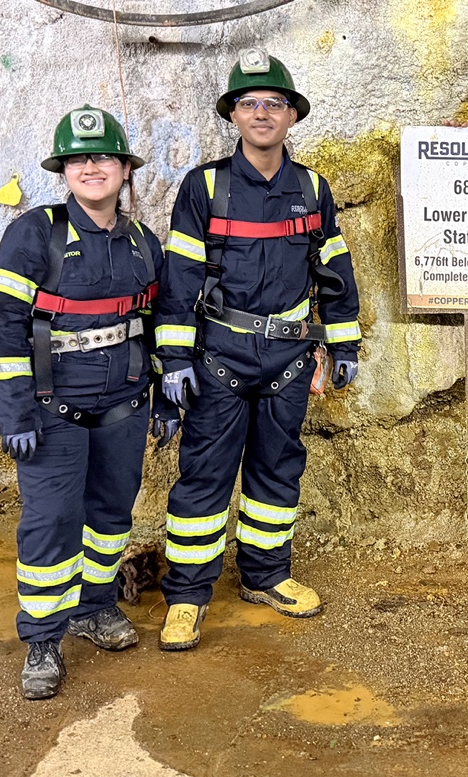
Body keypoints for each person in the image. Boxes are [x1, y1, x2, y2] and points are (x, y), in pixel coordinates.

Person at [153, 48, 361, 650]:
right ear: (234, 115)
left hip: (290, 361)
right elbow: (179, 281)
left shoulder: (313, 189)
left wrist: (343, 342)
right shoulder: (205, 187)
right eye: (250, 103)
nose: (262, 113)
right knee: (204, 478)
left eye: (274, 103)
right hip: (220, 359)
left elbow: (334, 270)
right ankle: (188, 596)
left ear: (292, 116)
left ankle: (266, 576)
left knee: (277, 470)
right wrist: (176, 359)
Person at [0, 105, 176, 699]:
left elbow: (159, 321)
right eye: (78, 159)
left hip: (123, 409)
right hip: (51, 413)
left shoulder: (145, 242)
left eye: (103, 157)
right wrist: (15, 412)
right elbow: (4, 327)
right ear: (64, 170)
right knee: (50, 522)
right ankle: (43, 638)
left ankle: (94, 608)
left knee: (110, 518)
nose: (91, 167)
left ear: (124, 169)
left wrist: (166, 398)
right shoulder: (33, 233)